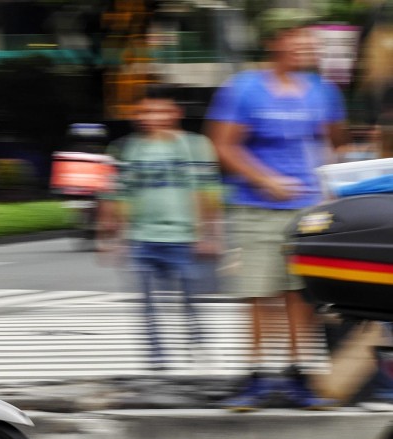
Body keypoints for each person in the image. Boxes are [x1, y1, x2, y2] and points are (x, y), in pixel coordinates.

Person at [207, 8, 346, 409]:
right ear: (274, 41)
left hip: (310, 212)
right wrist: (264, 178)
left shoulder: (323, 91)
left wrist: (334, 185)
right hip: (255, 209)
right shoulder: (244, 89)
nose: (306, 44)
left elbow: (334, 143)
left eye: (309, 38)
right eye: (297, 36)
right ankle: (255, 379)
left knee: (300, 297)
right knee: (258, 293)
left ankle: (298, 377)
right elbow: (222, 145)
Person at [98, 84, 223, 369]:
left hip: (185, 238)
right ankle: (157, 359)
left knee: (191, 302)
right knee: (147, 306)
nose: (150, 116)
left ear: (175, 112)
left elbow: (208, 191)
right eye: (144, 111)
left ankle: (198, 345)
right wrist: (110, 235)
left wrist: (210, 234)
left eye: (158, 110)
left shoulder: (195, 146)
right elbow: (115, 193)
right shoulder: (126, 148)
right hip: (142, 238)